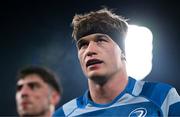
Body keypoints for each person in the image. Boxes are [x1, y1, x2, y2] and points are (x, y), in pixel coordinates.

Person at [53, 8, 180, 116]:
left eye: (101, 40)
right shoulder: (64, 114)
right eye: (83, 45)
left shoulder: (162, 96)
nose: (89, 50)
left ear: (123, 52)